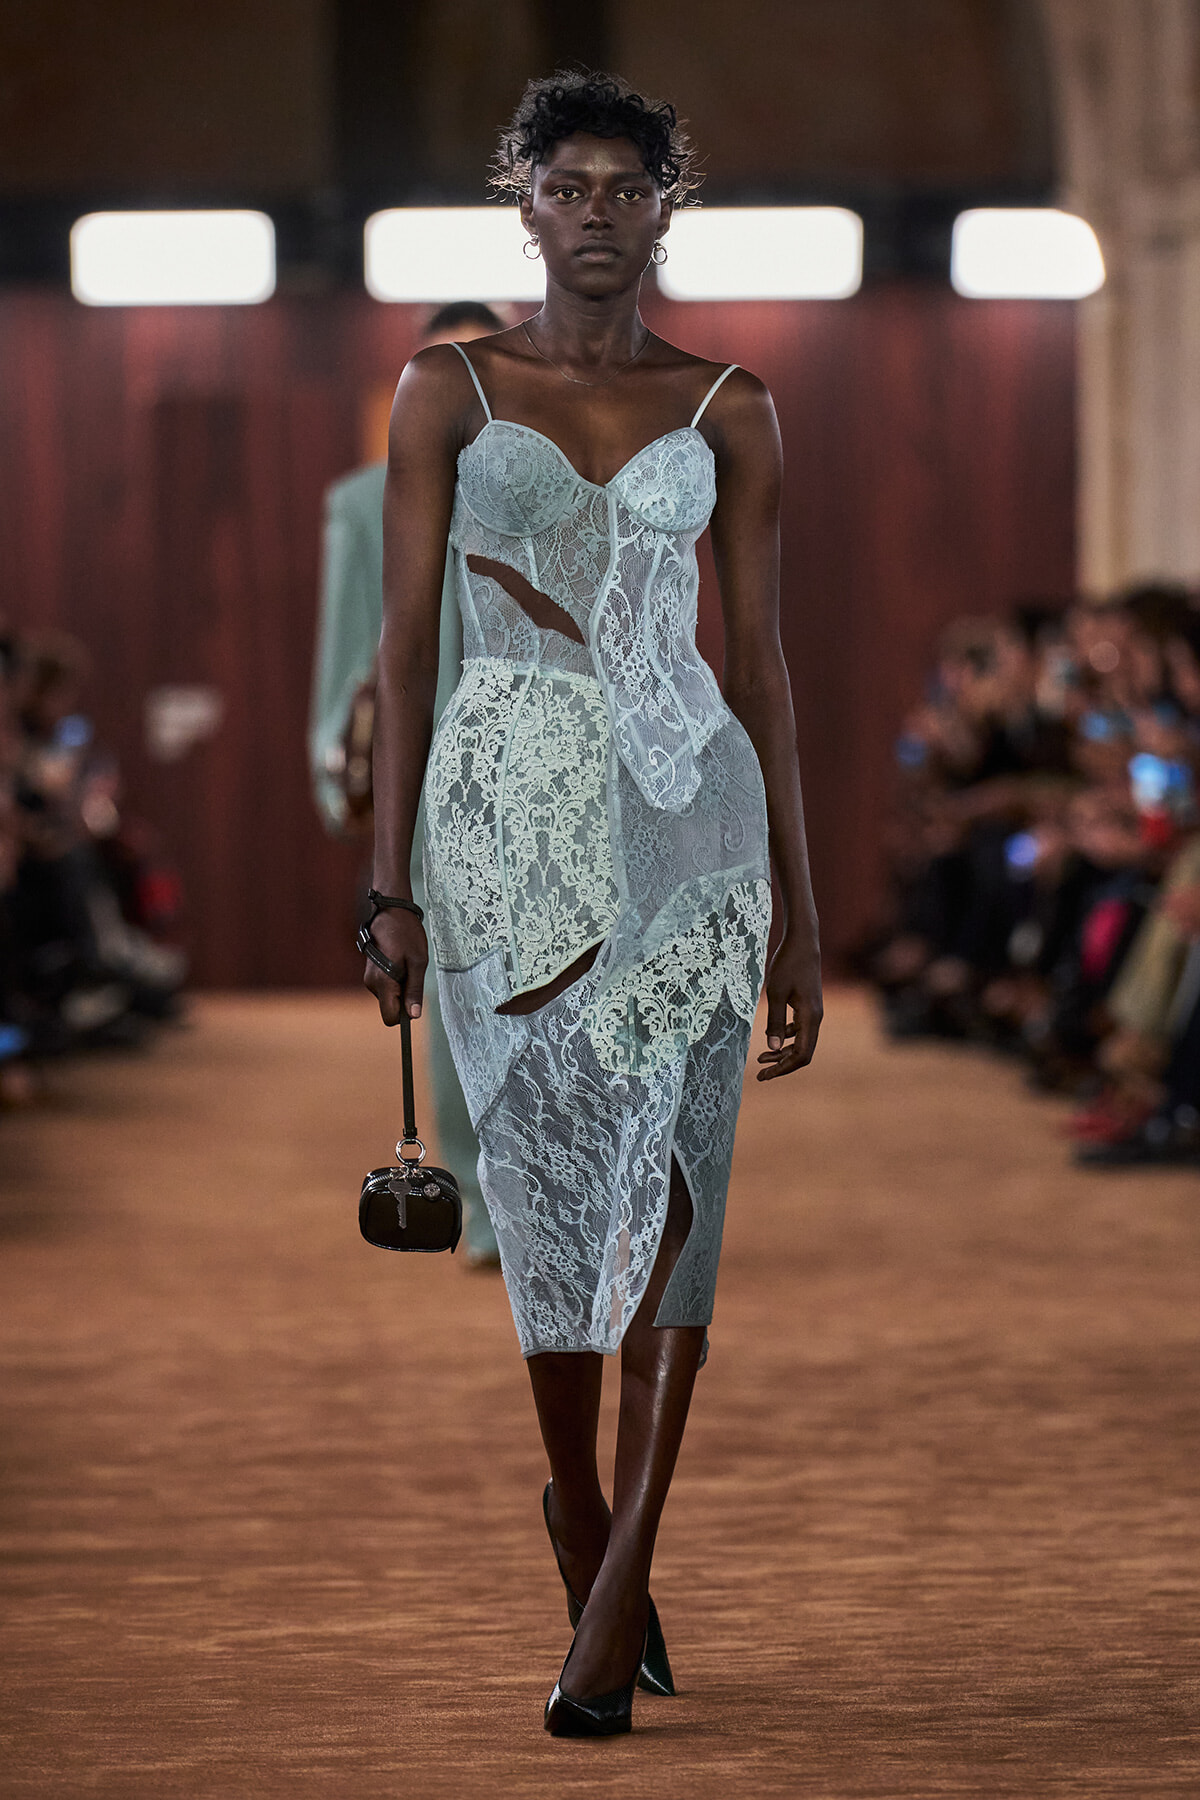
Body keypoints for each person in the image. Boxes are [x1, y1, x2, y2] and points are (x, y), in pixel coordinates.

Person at [362, 70, 822, 1736]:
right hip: (507, 830)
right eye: (571, 187)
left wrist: (803, 908)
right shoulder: (449, 389)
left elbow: (758, 663)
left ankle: (623, 1567)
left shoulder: (732, 407)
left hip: (696, 822)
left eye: (631, 187)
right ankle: (579, 1503)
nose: (601, 214)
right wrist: (386, 881)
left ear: (666, 206)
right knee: (557, 1207)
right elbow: (405, 649)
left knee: (682, 1200)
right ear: (527, 204)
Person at [310, 301, 506, 1266]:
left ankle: (559, 1190)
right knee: (459, 984)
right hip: (429, 777)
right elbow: (347, 650)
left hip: (544, 762)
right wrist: (336, 768)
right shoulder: (362, 500)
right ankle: (479, 1202)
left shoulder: (540, 490)